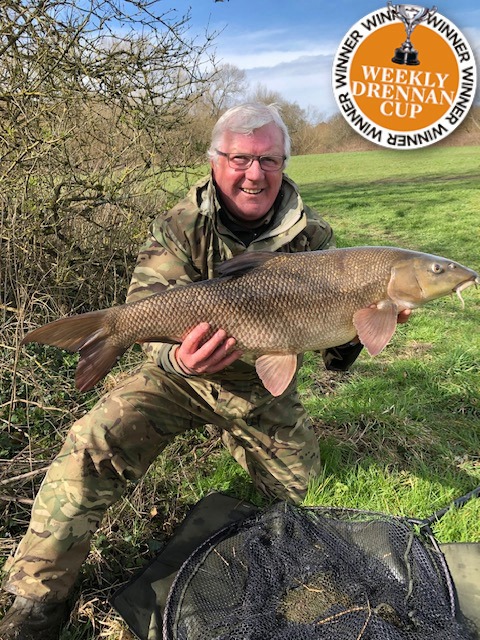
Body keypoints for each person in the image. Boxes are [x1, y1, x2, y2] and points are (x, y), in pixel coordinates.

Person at [0, 103, 408, 639]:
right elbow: (147, 312)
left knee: (299, 494)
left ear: (285, 163)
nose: (254, 174)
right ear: (216, 160)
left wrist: (366, 328)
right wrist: (178, 359)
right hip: (176, 379)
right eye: (240, 158)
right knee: (92, 444)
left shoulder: (316, 244)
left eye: (268, 159)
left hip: (256, 385)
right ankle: (37, 601)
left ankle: (242, 556)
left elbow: (333, 359)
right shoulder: (180, 226)